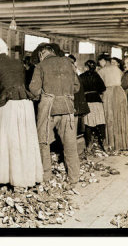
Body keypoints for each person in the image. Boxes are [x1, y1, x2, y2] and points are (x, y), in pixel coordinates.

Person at [0, 37, 43, 189]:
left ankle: (1, 176)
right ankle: (22, 177)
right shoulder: (17, 62)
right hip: (24, 105)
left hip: (8, 105)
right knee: (21, 142)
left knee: (1, 140)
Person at [29, 43, 80, 185]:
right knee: (70, 145)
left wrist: (45, 95)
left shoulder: (41, 66)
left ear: (41, 54)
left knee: (43, 142)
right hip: (68, 108)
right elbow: (76, 87)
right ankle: (74, 178)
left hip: (49, 109)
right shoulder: (68, 63)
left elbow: (33, 89)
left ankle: (46, 177)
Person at [97, 54, 128, 151]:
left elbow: (99, 85)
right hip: (120, 93)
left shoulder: (101, 71)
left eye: (100, 62)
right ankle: (123, 144)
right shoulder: (117, 69)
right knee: (120, 117)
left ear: (103, 60)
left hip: (109, 93)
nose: (99, 64)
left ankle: (112, 144)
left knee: (110, 118)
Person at [80, 60, 107, 152]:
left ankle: (89, 144)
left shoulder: (81, 76)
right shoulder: (97, 75)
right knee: (100, 122)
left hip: (87, 101)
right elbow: (103, 88)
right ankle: (103, 142)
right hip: (97, 101)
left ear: (87, 67)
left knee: (88, 124)